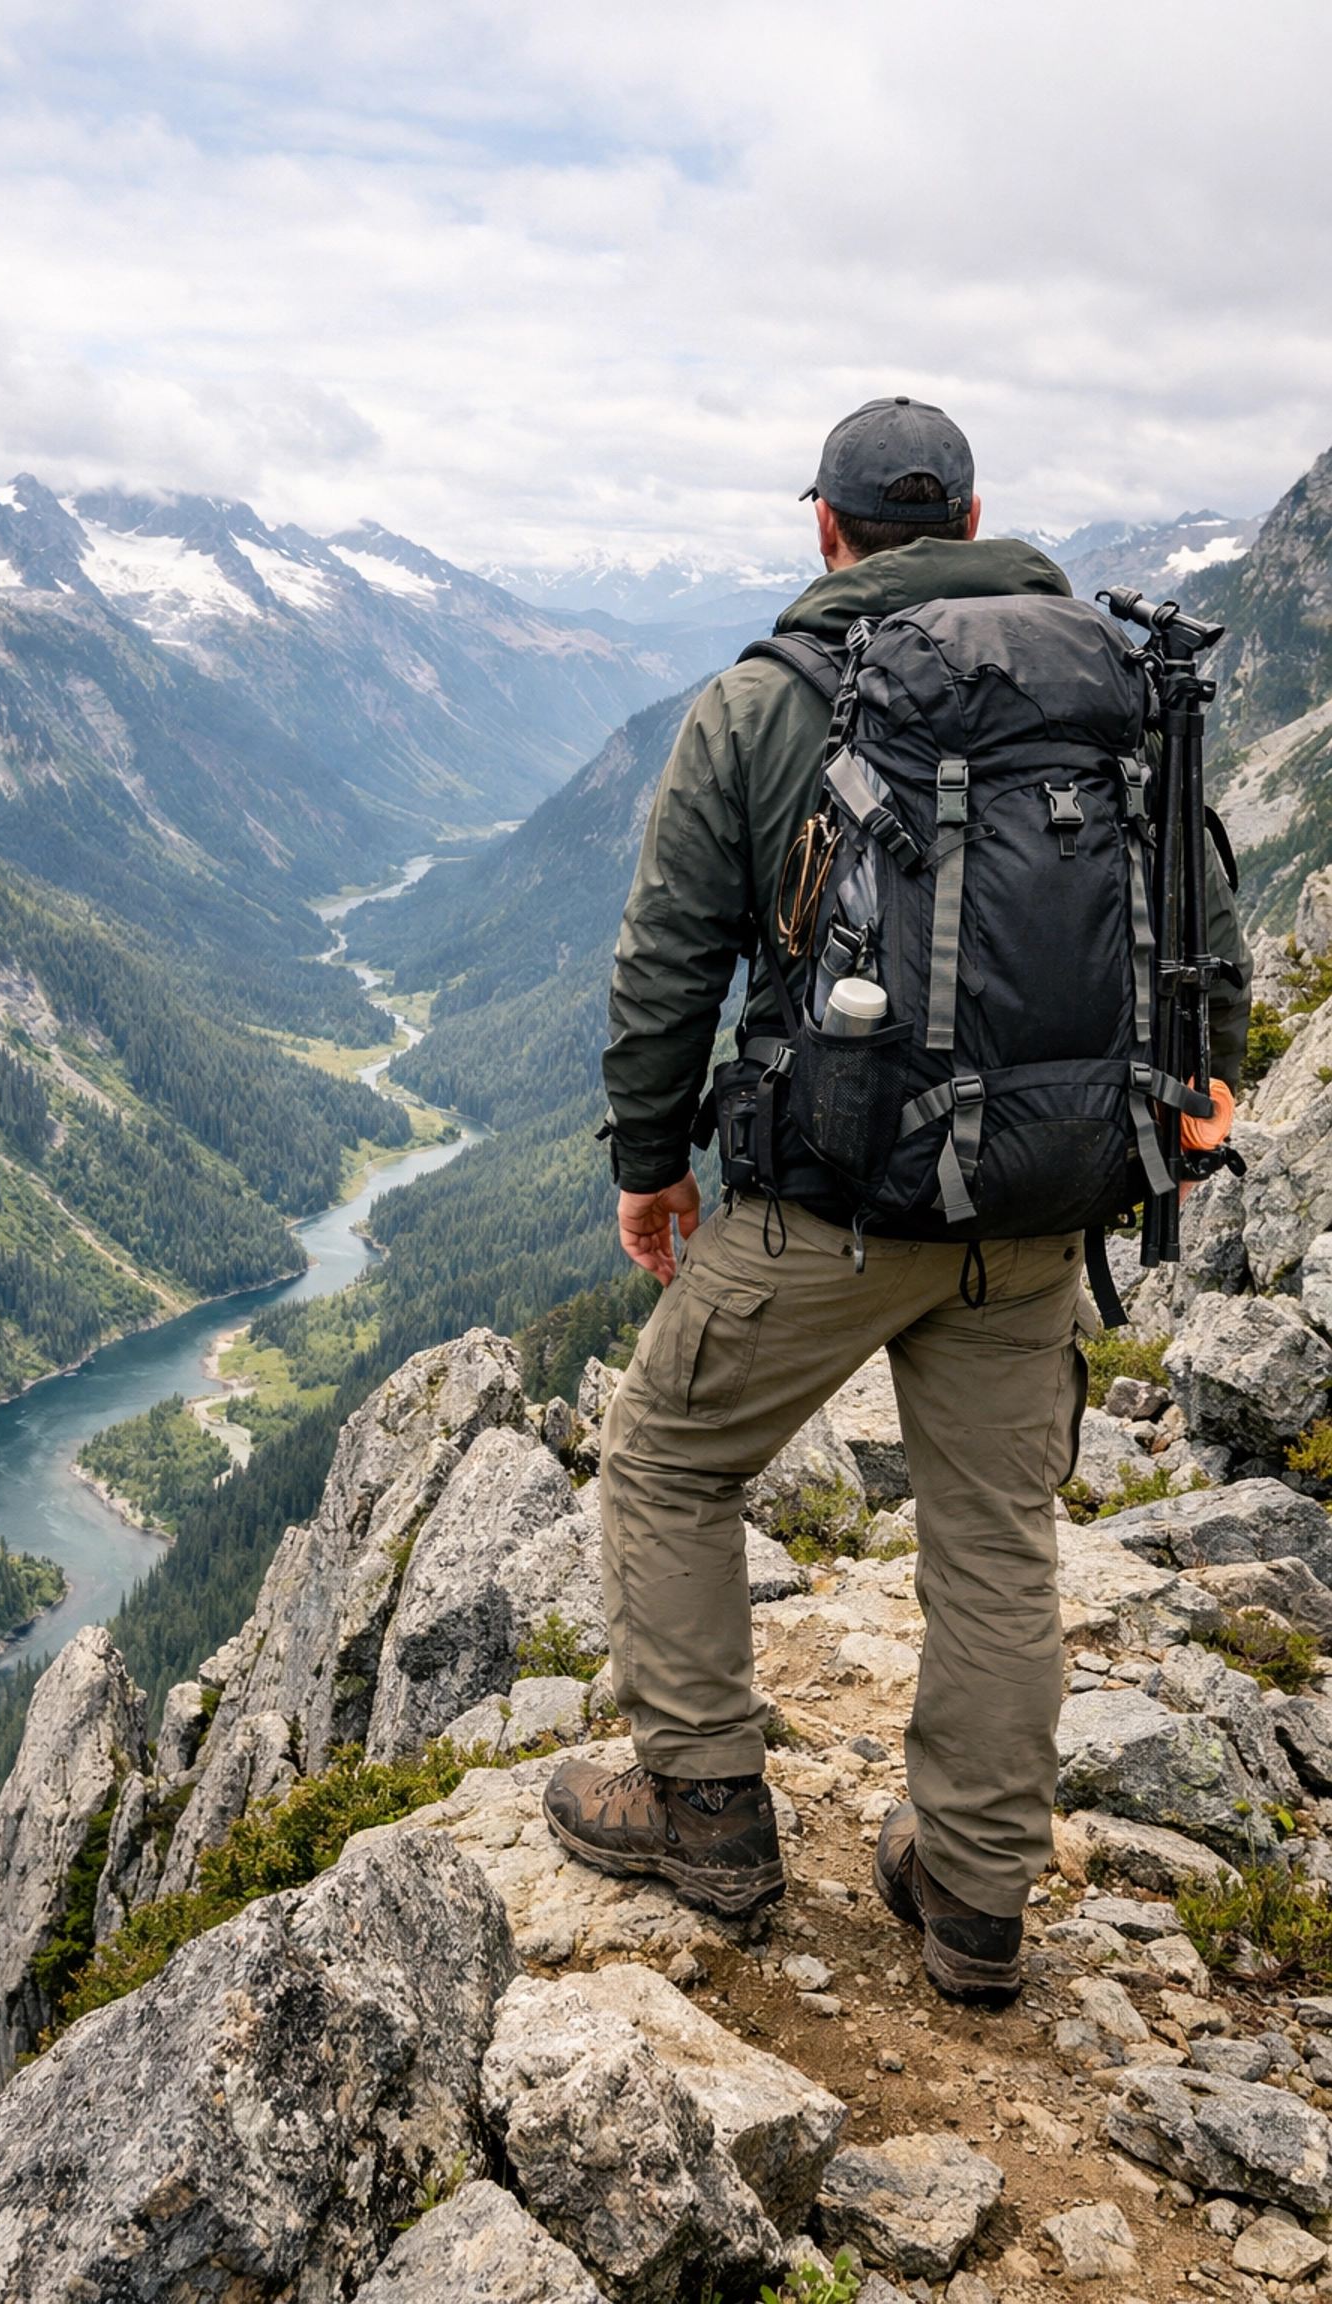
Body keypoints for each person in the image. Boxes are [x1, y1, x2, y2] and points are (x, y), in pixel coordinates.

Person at [542, 396, 1251, 2002]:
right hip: (1045, 1206)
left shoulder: (764, 700)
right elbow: (1200, 909)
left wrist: (650, 1165)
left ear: (827, 529)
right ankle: (977, 1898)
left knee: (664, 1456)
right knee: (997, 1542)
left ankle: (706, 1804)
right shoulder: (1112, 688)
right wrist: (1199, 1091)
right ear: (980, 513)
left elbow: (668, 962)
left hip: (834, 1206)